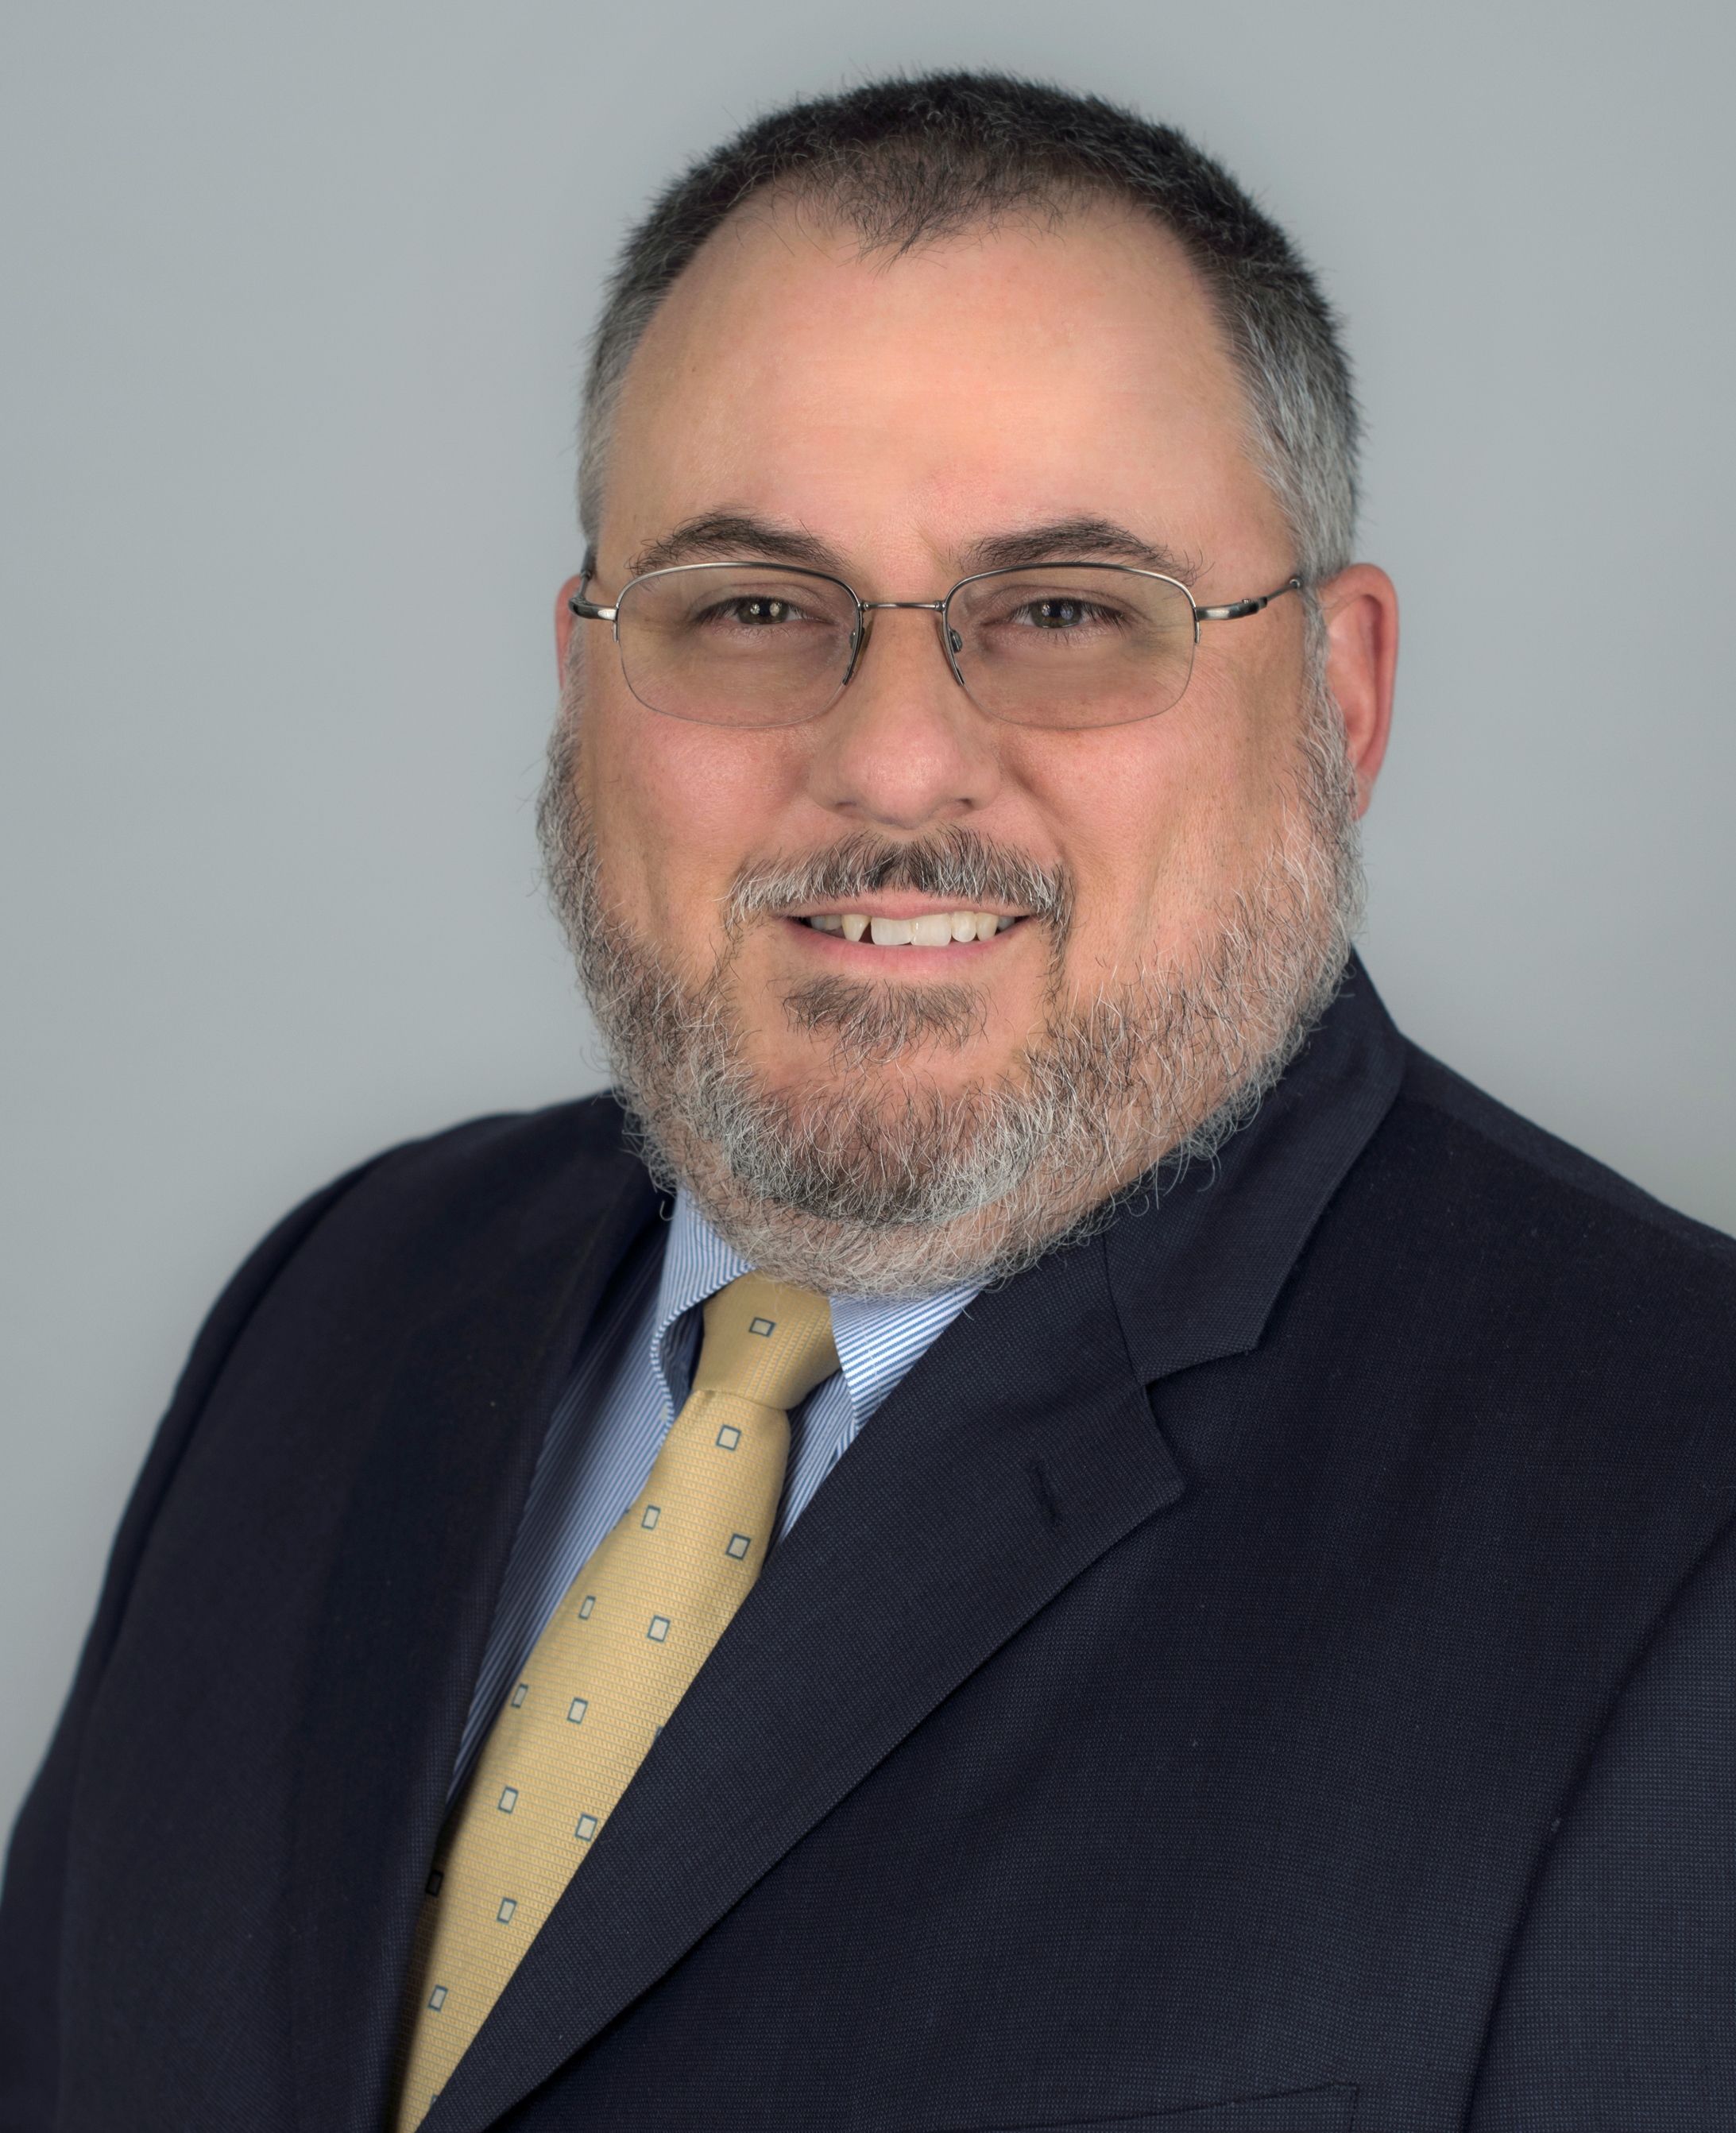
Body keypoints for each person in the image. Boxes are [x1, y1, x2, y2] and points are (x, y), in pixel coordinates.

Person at [3, 68, 1733, 2133]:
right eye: (751, 608)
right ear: (582, 673)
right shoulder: (338, 1306)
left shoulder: (1683, 1505)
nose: (896, 763)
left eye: (1068, 612)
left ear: (1339, 700)